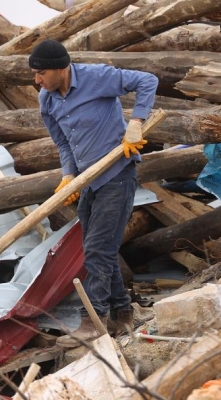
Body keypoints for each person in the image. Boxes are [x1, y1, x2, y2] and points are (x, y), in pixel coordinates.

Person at [29, 40, 158, 348]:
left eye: (42, 73)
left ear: (61, 69)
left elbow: (147, 80)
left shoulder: (97, 77)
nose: (37, 80)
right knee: (100, 248)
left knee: (98, 249)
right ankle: (123, 314)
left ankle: (93, 321)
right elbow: (63, 143)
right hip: (88, 181)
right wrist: (68, 175)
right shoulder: (47, 99)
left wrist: (136, 122)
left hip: (117, 174)